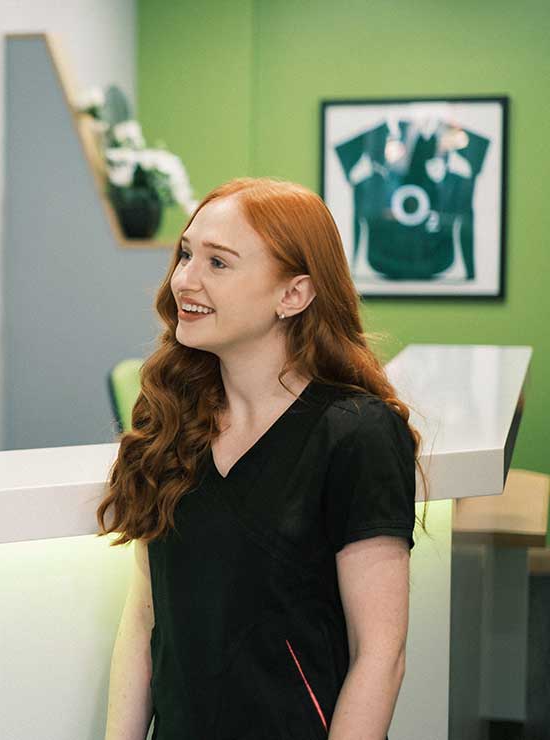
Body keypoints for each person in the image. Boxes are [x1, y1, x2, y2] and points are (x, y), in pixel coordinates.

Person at [99, 178, 421, 740]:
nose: (184, 280)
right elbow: (147, 618)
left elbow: (380, 654)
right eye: (186, 253)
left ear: (293, 294)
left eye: (218, 263)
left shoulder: (357, 433)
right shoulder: (169, 421)